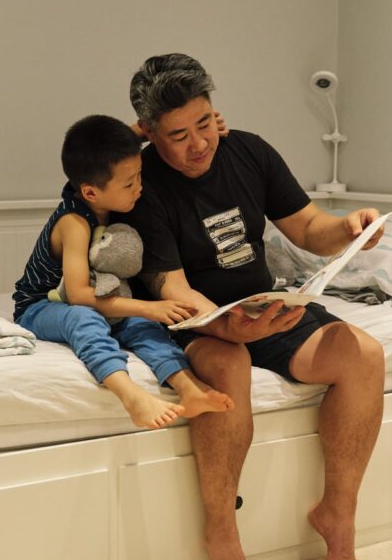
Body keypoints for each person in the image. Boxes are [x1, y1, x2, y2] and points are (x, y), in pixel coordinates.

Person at [117, 53, 387, 560]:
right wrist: (230, 326)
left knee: (363, 354)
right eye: (178, 136)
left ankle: (337, 511)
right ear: (148, 132)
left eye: (204, 123)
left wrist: (348, 229)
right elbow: (173, 288)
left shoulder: (249, 150)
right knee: (226, 366)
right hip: (195, 318)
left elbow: (308, 227)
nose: (199, 144)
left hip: (264, 307)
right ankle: (222, 535)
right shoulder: (144, 184)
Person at [12, 114, 235, 429]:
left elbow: (120, 144)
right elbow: (78, 296)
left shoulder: (103, 191)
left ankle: (188, 388)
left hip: (96, 298)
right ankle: (131, 396)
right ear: (91, 193)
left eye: (139, 176)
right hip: (41, 306)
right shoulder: (74, 223)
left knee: (143, 325)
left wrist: (200, 128)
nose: (139, 188)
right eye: (129, 184)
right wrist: (149, 307)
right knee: (85, 318)